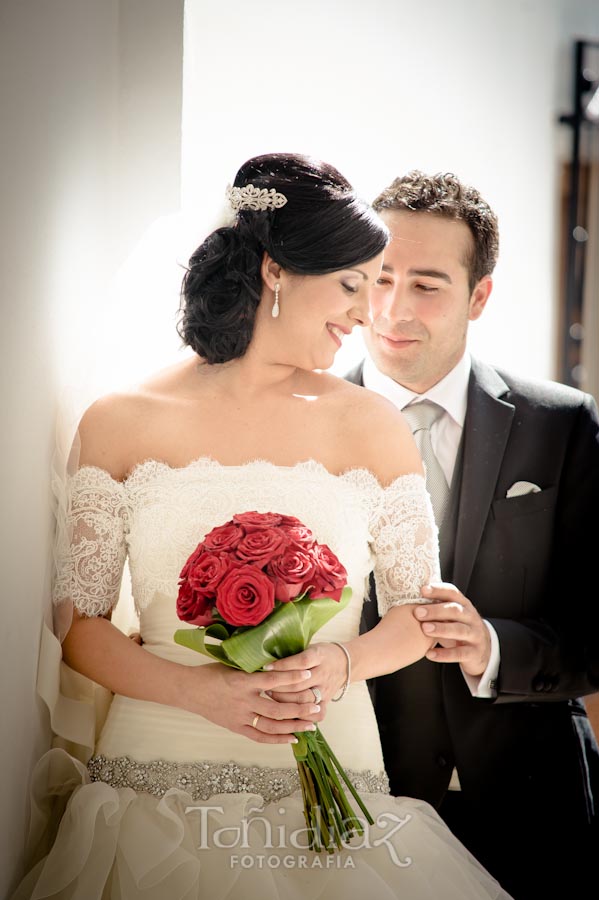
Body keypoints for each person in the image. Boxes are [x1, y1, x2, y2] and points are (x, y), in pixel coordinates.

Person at [11, 154, 512, 900]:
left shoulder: (372, 425)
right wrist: (197, 692)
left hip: (332, 773)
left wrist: (340, 666)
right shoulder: (121, 421)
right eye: (351, 284)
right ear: (276, 271)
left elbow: (416, 615)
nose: (366, 312)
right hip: (153, 784)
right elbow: (76, 622)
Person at [348, 170, 599, 900]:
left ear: (477, 295)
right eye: (378, 278)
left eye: (426, 285)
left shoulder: (561, 424)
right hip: (363, 804)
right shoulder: (297, 424)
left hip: (532, 809)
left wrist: (494, 646)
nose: (393, 310)